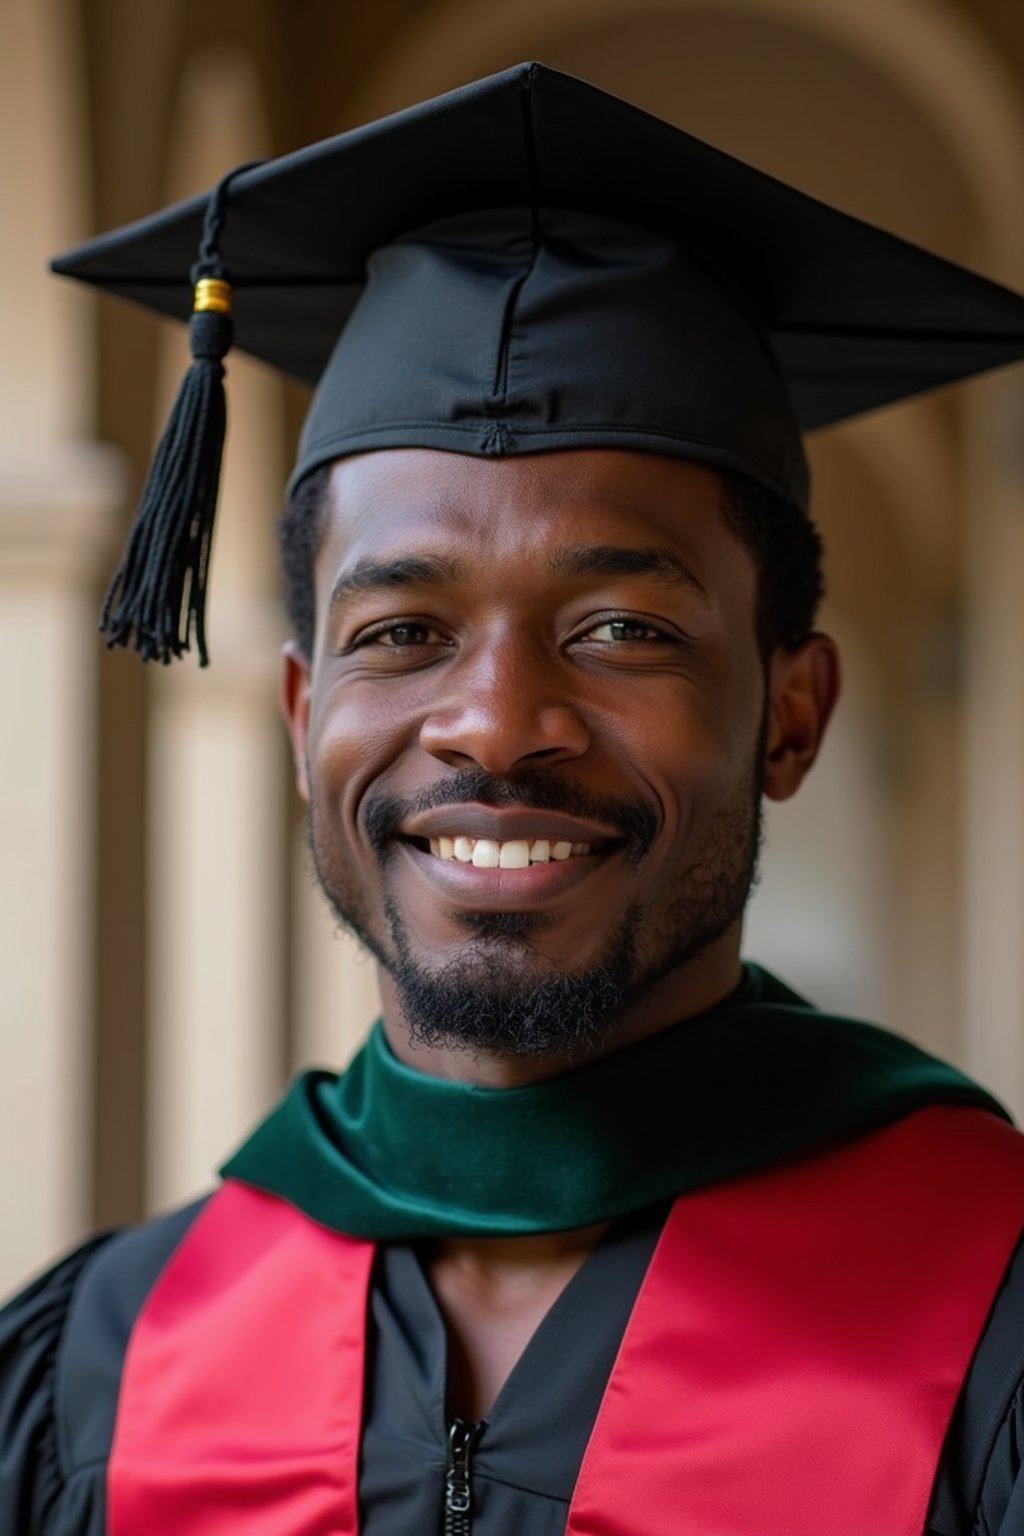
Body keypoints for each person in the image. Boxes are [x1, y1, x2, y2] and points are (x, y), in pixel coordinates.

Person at [3, 61, 1024, 1536]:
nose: (495, 725)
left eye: (622, 630)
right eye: (401, 633)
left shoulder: (987, 1300)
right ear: (302, 719)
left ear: (790, 715)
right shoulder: (101, 1363)